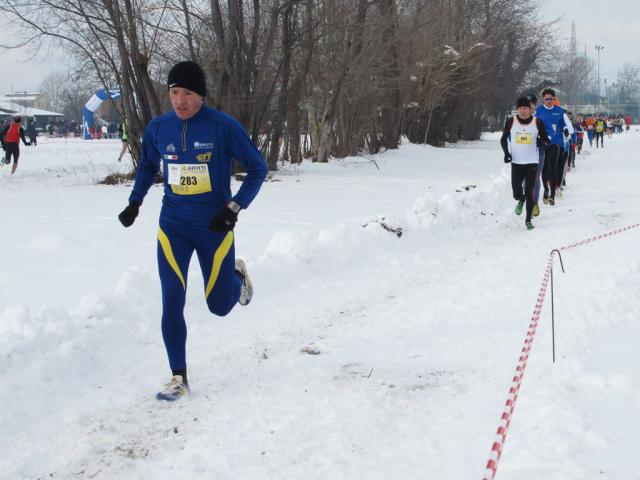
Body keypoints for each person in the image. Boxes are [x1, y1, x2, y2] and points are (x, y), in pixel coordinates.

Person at [118, 61, 268, 401]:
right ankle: (178, 377)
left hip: (214, 228)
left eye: (187, 93)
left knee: (218, 306)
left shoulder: (222, 127)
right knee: (172, 299)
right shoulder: (159, 128)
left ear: (200, 95)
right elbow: (146, 166)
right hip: (173, 227)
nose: (180, 100)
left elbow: (258, 168)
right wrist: (135, 202)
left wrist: (234, 207)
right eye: (174, 92)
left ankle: (237, 279)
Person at [501, 96, 549, 230]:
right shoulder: (511, 121)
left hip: (531, 163)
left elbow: (546, 140)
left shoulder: (537, 122)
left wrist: (542, 142)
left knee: (529, 192)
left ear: (530, 109)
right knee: (517, 193)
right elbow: (503, 139)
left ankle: (528, 220)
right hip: (516, 163)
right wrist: (506, 153)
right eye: (520, 108)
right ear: (517, 109)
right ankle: (520, 200)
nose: (522, 111)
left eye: (525, 108)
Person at [535, 88, 570, 206]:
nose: (548, 101)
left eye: (550, 99)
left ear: (554, 99)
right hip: (542, 143)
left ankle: (552, 195)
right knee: (544, 169)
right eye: (546, 99)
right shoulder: (538, 111)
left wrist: (565, 130)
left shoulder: (559, 111)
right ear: (543, 99)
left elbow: (564, 125)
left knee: (553, 168)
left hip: (555, 143)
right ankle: (546, 189)